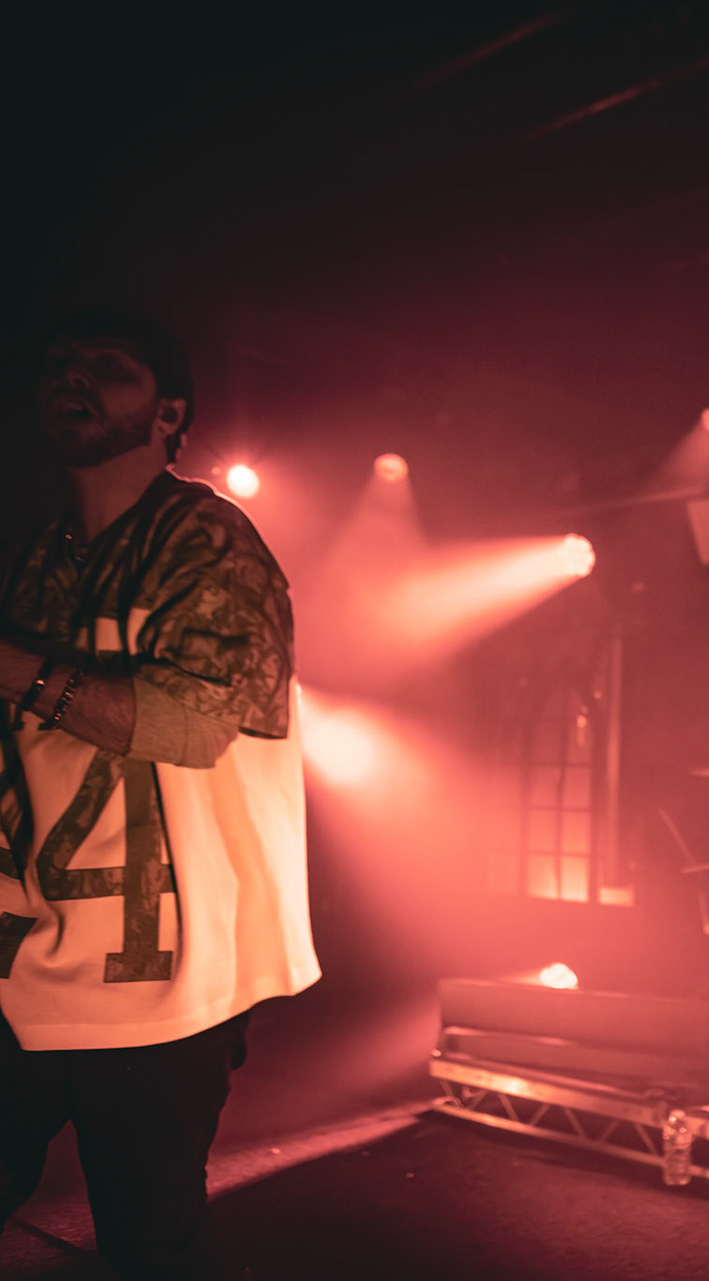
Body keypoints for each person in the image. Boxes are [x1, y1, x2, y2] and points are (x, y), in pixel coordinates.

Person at [0, 309, 320, 1278]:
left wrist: (10, 666)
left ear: (170, 413)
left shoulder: (209, 539)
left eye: (107, 366)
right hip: (30, 951)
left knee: (152, 1242)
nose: (73, 377)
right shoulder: (43, 554)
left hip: (164, 981)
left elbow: (193, 724)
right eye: (60, 363)